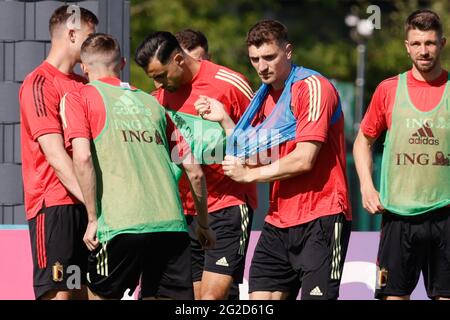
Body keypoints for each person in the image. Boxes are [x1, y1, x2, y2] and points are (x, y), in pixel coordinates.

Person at [195, 20, 351, 300]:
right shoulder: (262, 97)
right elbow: (255, 156)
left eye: (269, 57)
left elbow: (305, 159)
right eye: (255, 59)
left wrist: (248, 176)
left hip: (322, 215)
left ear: (288, 51)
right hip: (279, 220)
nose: (262, 66)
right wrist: (226, 120)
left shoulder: (313, 87)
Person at [61, 33, 214, 300]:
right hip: (172, 227)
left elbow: (82, 158)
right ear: (121, 63)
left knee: (99, 294)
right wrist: (203, 224)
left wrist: (93, 218)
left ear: (83, 67)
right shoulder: (153, 103)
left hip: (122, 226)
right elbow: (195, 172)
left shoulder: (79, 98)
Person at [134, 31, 257, 300]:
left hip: (228, 205)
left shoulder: (231, 84)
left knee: (212, 298)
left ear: (179, 59)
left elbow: (260, 147)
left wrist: (224, 121)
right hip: (183, 215)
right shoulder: (158, 99)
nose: (158, 84)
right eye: (153, 78)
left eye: (161, 75)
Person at [353, 9, 450, 300]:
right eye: (417, 44)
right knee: (393, 296)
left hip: (446, 214)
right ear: (407, 46)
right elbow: (362, 141)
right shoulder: (389, 89)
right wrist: (367, 186)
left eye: (430, 43)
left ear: (442, 43)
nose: (424, 50)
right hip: (398, 216)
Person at [19, 5, 98, 300]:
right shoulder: (38, 83)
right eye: (91, 36)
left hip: (86, 209)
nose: (94, 45)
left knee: (82, 294)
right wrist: (94, 208)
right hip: (54, 207)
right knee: (60, 294)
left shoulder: (86, 84)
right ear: (72, 33)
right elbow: (55, 155)